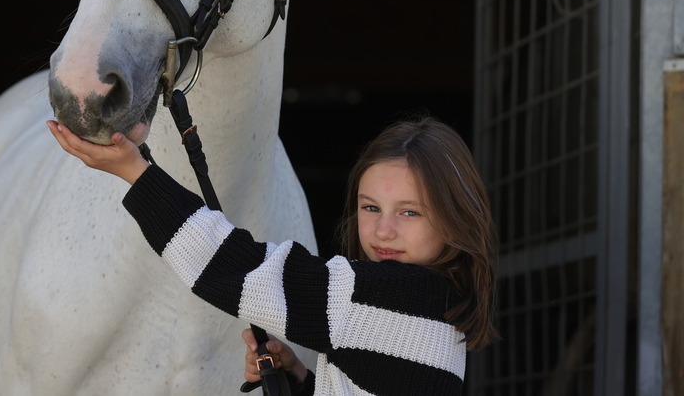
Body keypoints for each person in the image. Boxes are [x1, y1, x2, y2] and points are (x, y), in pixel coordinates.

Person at [46, 115, 498, 396]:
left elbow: (232, 267)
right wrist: (300, 377)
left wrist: (135, 172)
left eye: (410, 212)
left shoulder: (391, 294)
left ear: (454, 221)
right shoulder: (443, 307)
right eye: (370, 207)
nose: (383, 230)